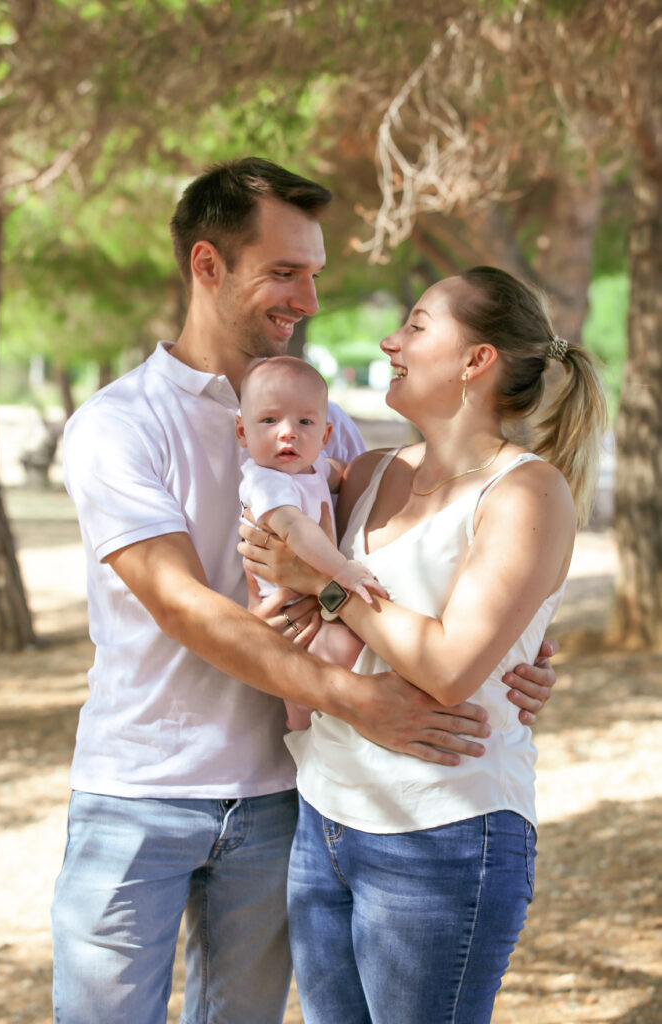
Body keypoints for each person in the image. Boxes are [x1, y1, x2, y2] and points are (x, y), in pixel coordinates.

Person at [51, 157, 557, 1024]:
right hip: (141, 790)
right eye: (285, 272)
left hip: (288, 799)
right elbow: (180, 604)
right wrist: (353, 695)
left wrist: (522, 650)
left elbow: (424, 575)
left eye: (315, 274)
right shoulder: (117, 425)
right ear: (208, 266)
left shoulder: (334, 425)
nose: (309, 300)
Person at [240, 266, 607, 1024]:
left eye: (415, 325)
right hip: (325, 814)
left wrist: (325, 585)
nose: (389, 340)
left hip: (442, 831)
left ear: (476, 362)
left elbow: (446, 666)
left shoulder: (526, 492)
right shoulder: (368, 473)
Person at [236, 355, 381, 727]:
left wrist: (342, 472)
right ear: (242, 432)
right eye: (269, 420)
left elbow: (337, 475)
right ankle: (300, 722)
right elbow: (295, 530)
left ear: (326, 436)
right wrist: (343, 571)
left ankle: (302, 720)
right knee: (338, 653)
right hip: (291, 611)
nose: (288, 432)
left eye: (305, 422)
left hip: (314, 604)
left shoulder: (310, 469)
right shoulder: (266, 481)